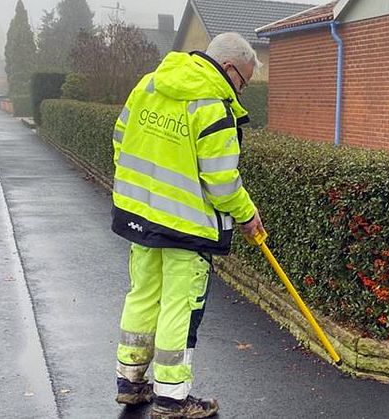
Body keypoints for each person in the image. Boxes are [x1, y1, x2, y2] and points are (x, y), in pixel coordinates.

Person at [111, 32, 265, 418]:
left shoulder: (148, 84)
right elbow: (222, 182)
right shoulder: (211, 105)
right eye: (243, 82)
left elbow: (119, 140)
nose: (241, 92)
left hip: (140, 218)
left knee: (143, 296)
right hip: (187, 229)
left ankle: (130, 383)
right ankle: (172, 400)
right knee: (180, 309)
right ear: (229, 68)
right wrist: (247, 215)